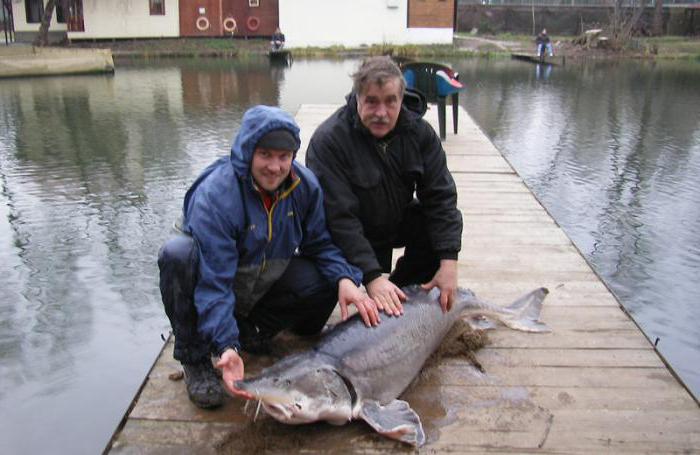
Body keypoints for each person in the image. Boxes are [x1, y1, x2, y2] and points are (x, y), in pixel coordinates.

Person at [158, 105, 379, 409]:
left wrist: (345, 278)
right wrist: (226, 344)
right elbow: (214, 283)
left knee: (326, 279)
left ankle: (252, 330)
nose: (275, 167)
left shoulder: (305, 187)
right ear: (248, 151)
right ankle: (195, 356)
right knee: (177, 255)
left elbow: (321, 244)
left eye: (283, 157)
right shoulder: (217, 196)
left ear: (292, 157)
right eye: (265, 155)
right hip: (217, 280)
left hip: (259, 281)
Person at [306, 56, 463, 318]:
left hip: (393, 220)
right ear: (357, 98)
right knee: (309, 317)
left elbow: (441, 198)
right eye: (371, 102)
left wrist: (449, 263)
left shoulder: (419, 133)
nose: (381, 113)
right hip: (345, 233)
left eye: (390, 101)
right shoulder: (329, 140)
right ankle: (373, 284)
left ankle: (399, 291)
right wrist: (371, 276)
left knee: (432, 228)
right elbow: (339, 217)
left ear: (401, 99)